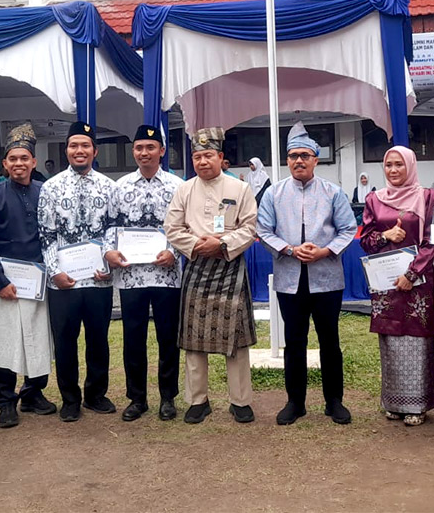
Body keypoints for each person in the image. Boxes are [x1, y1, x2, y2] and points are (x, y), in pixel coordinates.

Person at [257, 123, 356, 426]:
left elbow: (348, 229)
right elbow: (262, 230)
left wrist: (324, 251)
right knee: (294, 341)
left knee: (330, 340)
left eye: (305, 155)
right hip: (290, 278)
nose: (298, 161)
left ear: (316, 159)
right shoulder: (273, 194)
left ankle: (334, 401)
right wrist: (288, 249)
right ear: (287, 160)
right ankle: (295, 402)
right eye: (293, 156)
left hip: (326, 277)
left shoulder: (333, 192)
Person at [163, 127, 258, 425]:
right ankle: (197, 400)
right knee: (193, 339)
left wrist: (222, 243)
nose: (202, 162)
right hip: (196, 267)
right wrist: (195, 245)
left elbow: (250, 227)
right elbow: (172, 228)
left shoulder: (239, 189)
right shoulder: (184, 189)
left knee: (237, 339)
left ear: (220, 157)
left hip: (230, 268)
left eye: (208, 156)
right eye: (197, 156)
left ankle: (240, 401)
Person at [103, 125, 184, 422]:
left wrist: (173, 253)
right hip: (131, 276)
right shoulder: (120, 186)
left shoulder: (178, 186)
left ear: (161, 151)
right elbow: (110, 226)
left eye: (150, 148)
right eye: (139, 148)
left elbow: (184, 227)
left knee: (167, 337)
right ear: (133, 151)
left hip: (167, 275)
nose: (144, 153)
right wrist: (108, 252)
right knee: (133, 338)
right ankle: (137, 398)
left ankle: (167, 397)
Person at [0, 124, 57, 429]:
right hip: (7, 283)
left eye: (24, 158)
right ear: (5, 164)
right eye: (13, 159)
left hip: (39, 280)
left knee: (38, 339)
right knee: (8, 341)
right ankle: (6, 401)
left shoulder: (45, 192)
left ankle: (33, 392)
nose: (19, 164)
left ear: (34, 162)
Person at [39, 120, 117, 422]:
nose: (79, 150)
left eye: (85, 145)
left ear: (94, 151)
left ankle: (96, 394)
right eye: (74, 145)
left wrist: (108, 265)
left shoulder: (109, 187)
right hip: (64, 282)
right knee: (65, 340)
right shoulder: (51, 187)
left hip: (98, 280)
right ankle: (70, 398)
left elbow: (113, 230)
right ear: (67, 150)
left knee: (98, 338)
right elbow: (46, 234)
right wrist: (54, 271)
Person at [359, 146, 434, 427]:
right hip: (386, 283)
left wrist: (412, 273)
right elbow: (365, 239)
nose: (393, 170)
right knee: (391, 340)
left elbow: (432, 241)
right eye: (389, 165)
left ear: (410, 166)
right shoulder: (374, 199)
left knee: (416, 340)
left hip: (416, 283)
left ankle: (417, 404)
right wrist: (385, 235)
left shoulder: (427, 197)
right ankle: (393, 401)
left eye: (399, 165)